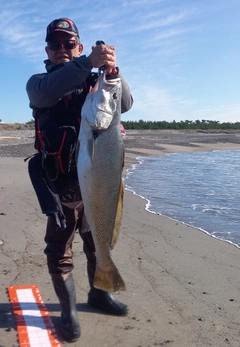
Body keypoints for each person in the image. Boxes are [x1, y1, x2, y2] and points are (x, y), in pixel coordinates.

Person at [26, 18, 133, 342]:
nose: (62, 49)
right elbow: (49, 93)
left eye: (69, 44)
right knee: (60, 250)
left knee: (94, 243)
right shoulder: (39, 83)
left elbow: (124, 104)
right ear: (47, 49)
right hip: (61, 187)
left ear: (79, 46)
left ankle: (99, 292)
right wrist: (88, 63)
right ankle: (69, 309)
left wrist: (113, 73)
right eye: (55, 44)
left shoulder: (95, 82)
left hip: (97, 183)